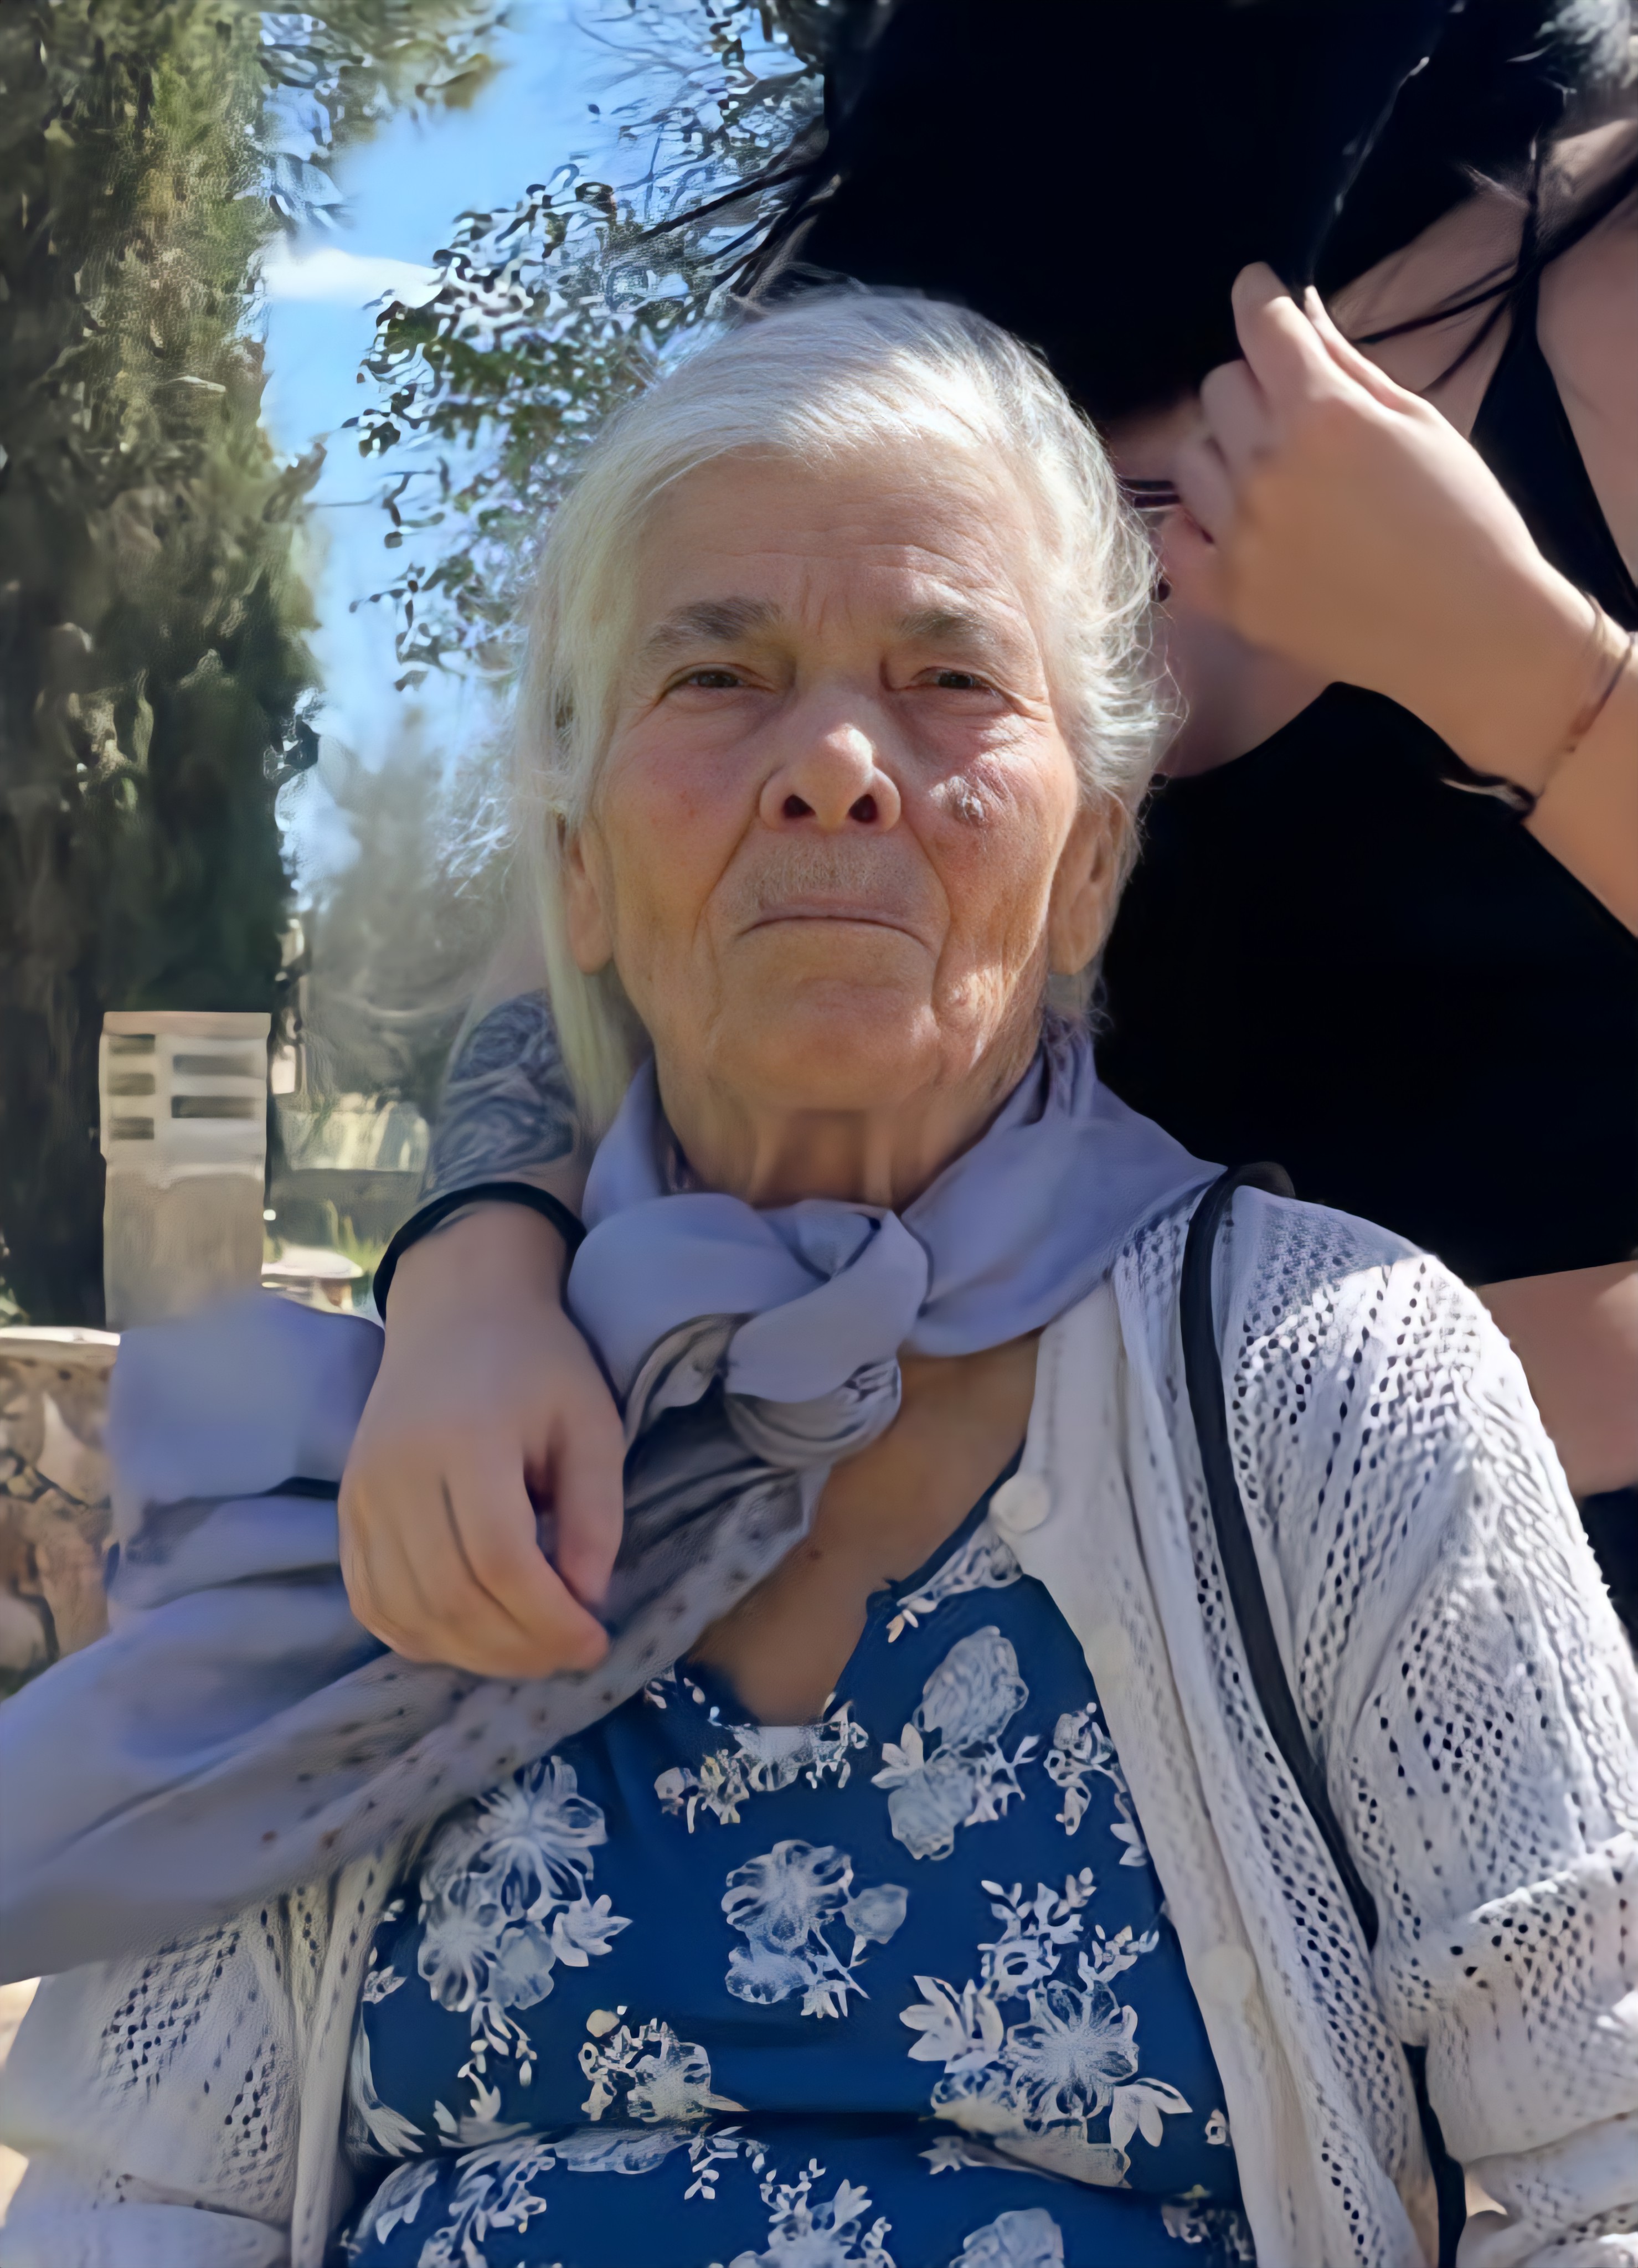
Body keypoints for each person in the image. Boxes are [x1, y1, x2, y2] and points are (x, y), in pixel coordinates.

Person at [3, 291, 1636, 2268]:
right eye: (721, 677)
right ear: (578, 869)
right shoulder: (403, 1453)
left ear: (1091, 867)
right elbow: (141, 2199)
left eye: (950, 678)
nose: (841, 765)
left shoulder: (1336, 1397)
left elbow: (1606, 2183)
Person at [338, 0, 1638, 1681]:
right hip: (898, 1605)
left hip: (1551, 1591)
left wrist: (1518, 666)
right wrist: (474, 1283)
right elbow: (602, 880)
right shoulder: (880, 254)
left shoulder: (1602, 261)